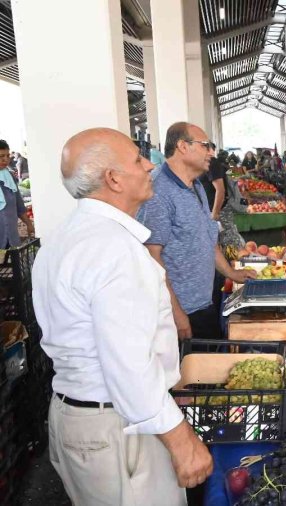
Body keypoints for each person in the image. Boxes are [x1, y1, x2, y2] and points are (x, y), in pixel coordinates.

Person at [33, 128, 213, 505]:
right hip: (118, 426)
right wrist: (182, 440)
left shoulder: (65, 236)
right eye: (136, 159)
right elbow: (129, 366)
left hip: (81, 417)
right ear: (113, 179)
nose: (149, 164)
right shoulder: (113, 249)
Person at [139, 122, 256, 341]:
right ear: (183, 146)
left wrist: (230, 273)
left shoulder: (196, 185)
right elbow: (151, 258)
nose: (211, 152)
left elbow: (207, 239)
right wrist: (176, 313)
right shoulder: (159, 192)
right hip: (183, 309)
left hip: (204, 300)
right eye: (205, 146)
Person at [0, 140, 34, 246]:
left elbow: (19, 204)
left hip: (11, 237)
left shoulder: (9, 177)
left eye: (7, 155)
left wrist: (28, 223)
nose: (5, 159)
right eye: (1, 156)